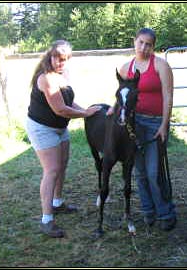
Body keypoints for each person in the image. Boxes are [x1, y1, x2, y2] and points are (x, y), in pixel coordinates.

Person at [26, 40, 101, 238]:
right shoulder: (46, 79)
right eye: (58, 59)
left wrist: (85, 110)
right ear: (50, 57)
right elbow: (60, 109)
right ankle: (46, 219)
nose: (61, 63)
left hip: (60, 127)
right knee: (51, 170)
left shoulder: (62, 75)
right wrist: (85, 114)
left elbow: (67, 100)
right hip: (42, 128)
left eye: (65, 59)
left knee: (62, 164)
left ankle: (57, 203)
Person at [109, 28, 177, 231]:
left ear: (153, 46)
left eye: (148, 44)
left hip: (155, 123)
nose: (144, 47)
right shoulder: (125, 68)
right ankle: (148, 211)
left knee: (154, 171)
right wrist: (111, 109)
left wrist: (164, 125)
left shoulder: (161, 66)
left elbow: (168, 97)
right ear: (134, 42)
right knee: (139, 171)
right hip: (134, 124)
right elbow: (120, 95)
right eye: (141, 42)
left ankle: (165, 212)